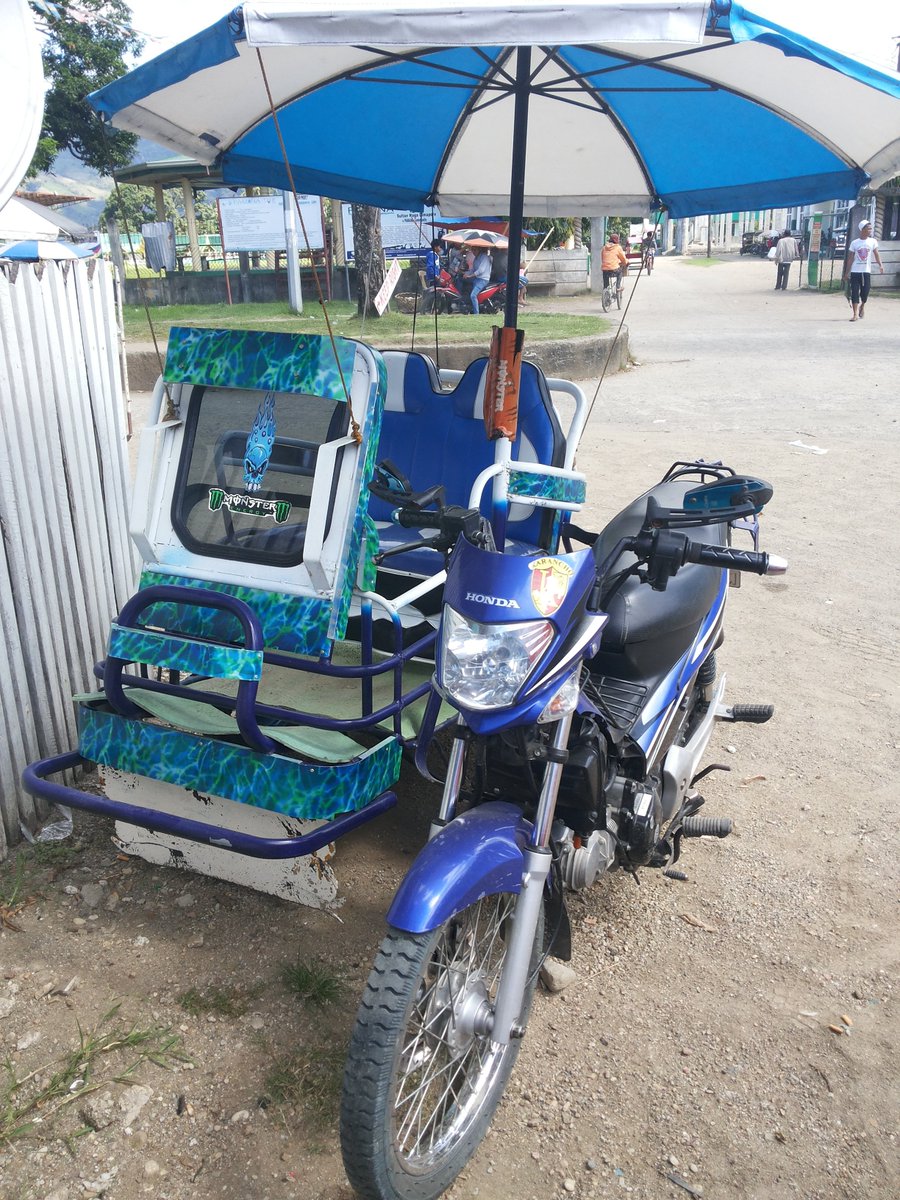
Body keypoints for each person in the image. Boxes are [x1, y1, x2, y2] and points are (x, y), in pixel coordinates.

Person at [843, 219, 884, 321]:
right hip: (855, 271)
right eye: (868, 228)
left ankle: (863, 305)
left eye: (871, 228)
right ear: (862, 229)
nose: (870, 230)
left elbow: (876, 254)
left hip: (866, 271)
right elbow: (851, 258)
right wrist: (846, 273)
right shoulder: (855, 243)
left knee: (865, 292)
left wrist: (880, 265)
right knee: (855, 292)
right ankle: (855, 314)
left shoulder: (873, 241)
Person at [463, 247, 492, 313]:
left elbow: (480, 270)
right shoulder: (476, 257)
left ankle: (476, 314)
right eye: (472, 250)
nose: (473, 252)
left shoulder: (484, 257)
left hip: (483, 280)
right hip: (477, 279)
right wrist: (466, 274)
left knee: (473, 295)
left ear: (479, 249)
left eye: (475, 250)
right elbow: (473, 269)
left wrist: (470, 276)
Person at [422, 237, 442, 312]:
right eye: (439, 246)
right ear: (435, 247)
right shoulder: (431, 255)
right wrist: (435, 275)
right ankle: (427, 309)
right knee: (432, 294)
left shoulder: (436, 255)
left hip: (436, 277)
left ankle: (434, 309)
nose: (440, 248)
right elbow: (430, 267)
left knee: (437, 294)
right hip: (432, 278)